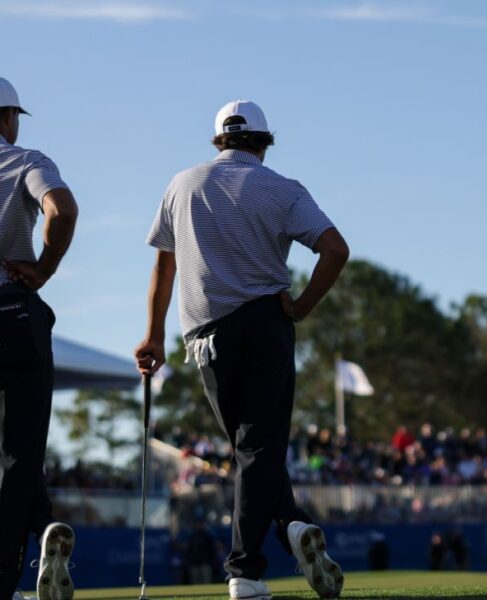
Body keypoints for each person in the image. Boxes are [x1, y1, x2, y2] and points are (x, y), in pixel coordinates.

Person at [135, 100, 348, 599]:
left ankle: (289, 529)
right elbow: (335, 249)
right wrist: (300, 307)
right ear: (263, 142)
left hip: (205, 336)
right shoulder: (283, 189)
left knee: (251, 450)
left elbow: (164, 268)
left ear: (218, 141)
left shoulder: (181, 184)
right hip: (266, 324)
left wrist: (153, 334)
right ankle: (247, 571)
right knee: (259, 449)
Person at [0, 77, 78, 600]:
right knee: (20, 453)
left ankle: (43, 522)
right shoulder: (25, 160)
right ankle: (23, 550)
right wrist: (45, 268)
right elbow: (62, 210)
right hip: (13, 315)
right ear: (8, 118)